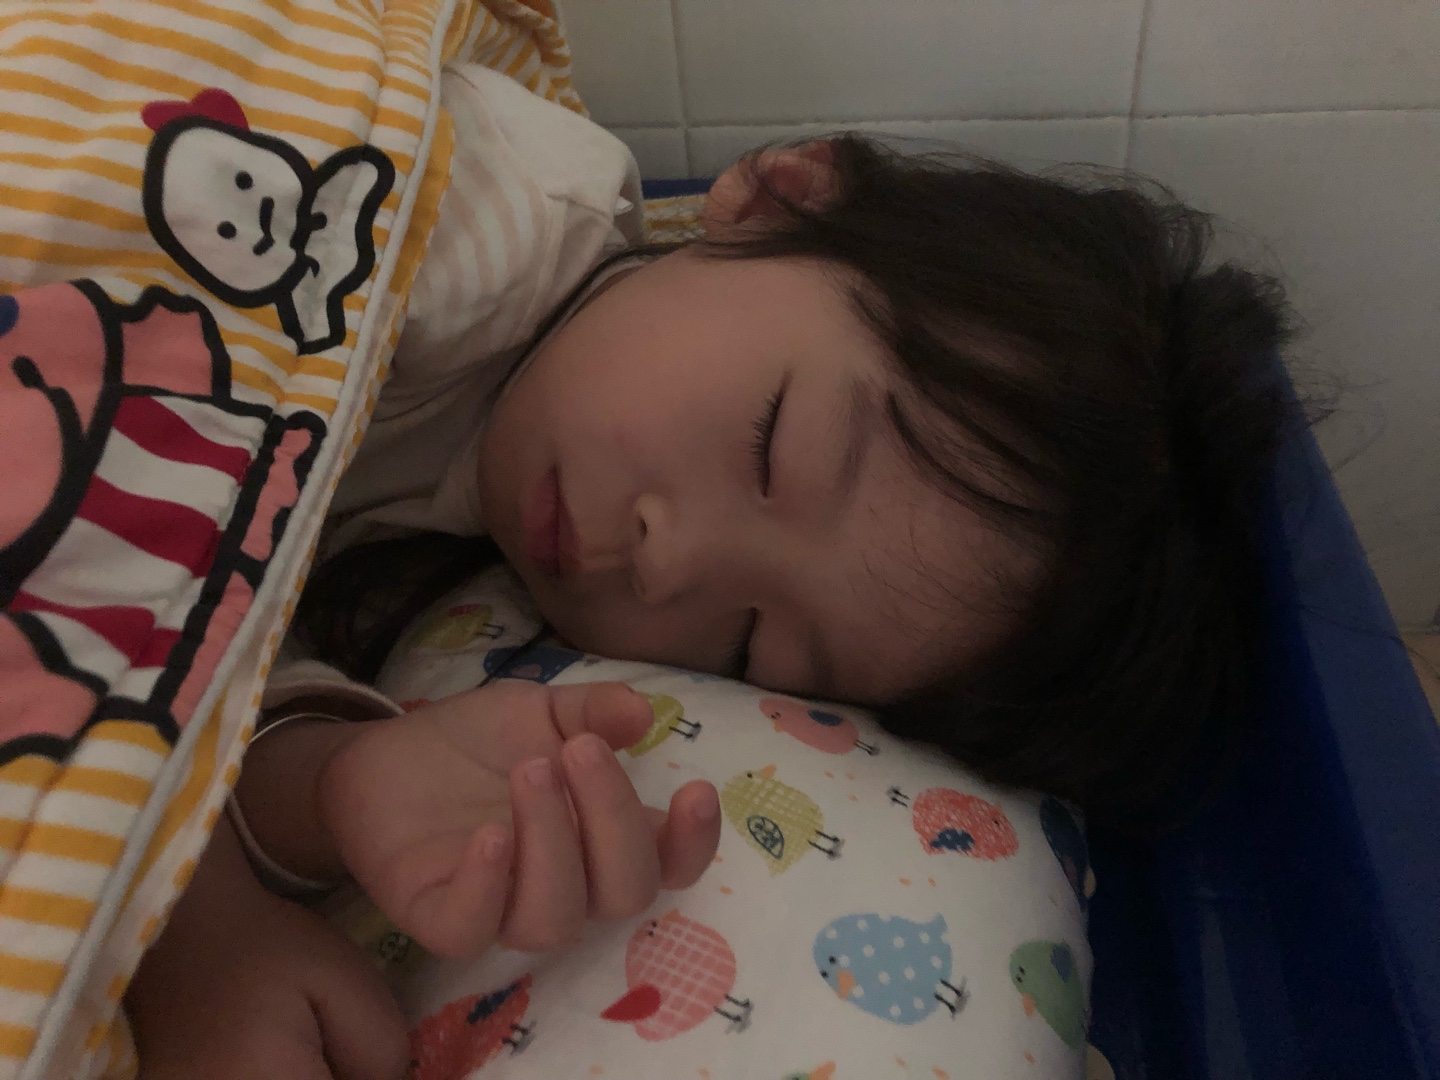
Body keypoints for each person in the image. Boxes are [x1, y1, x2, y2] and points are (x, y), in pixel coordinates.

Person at [125, 62, 1299, 1080]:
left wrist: (334, 787)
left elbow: (207, 648)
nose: (667, 564)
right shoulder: (461, 220)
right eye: (770, 445)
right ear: (779, 199)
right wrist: (194, 925)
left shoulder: (455, 537)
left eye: (750, 641)